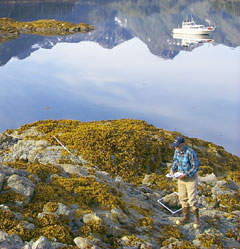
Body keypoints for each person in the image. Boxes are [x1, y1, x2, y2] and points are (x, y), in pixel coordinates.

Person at [169, 136, 200, 228]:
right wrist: (172, 170)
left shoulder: (190, 153)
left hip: (190, 178)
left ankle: (196, 218)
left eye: (177, 146)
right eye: (175, 146)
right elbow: (175, 161)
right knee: (182, 197)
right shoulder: (177, 151)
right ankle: (186, 216)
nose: (176, 147)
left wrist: (186, 174)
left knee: (192, 199)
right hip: (180, 178)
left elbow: (195, 167)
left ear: (182, 145)